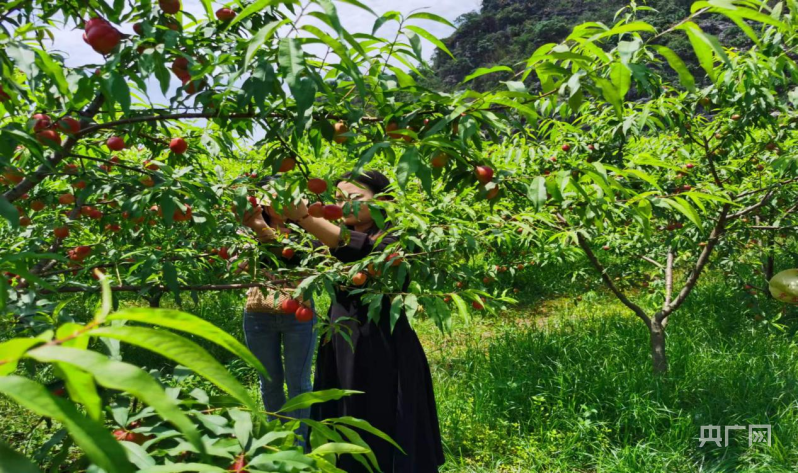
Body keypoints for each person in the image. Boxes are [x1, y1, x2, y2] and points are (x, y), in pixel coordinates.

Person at [282, 171, 445, 473]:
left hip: (384, 346)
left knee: (383, 416)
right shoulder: (328, 240)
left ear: (383, 200)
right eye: (339, 200)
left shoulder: (399, 237)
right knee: (345, 414)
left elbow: (364, 253)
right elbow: (293, 256)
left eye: (355, 199)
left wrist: (306, 217)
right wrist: (260, 224)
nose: (344, 207)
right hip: (342, 345)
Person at [241, 180, 317, 451]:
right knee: (270, 383)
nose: (284, 200)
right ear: (262, 200)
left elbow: (293, 259)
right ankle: (277, 443)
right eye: (277, 194)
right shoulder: (245, 230)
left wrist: (261, 230)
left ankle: (300, 447)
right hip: (258, 314)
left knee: (299, 383)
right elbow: (235, 266)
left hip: (299, 314)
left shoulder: (308, 231)